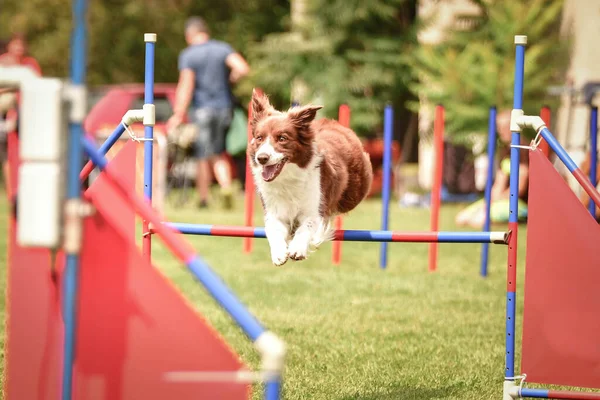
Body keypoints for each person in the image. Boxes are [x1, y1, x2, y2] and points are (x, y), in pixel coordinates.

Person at [166, 16, 250, 209]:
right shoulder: (222, 48)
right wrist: (231, 78)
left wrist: (178, 114)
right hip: (224, 109)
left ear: (189, 35)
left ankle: (204, 198)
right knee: (218, 152)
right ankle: (226, 187)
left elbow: (186, 85)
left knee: (203, 154)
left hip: (203, 110)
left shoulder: (189, 55)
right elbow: (242, 68)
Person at [455, 109, 530, 228]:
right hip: (503, 199)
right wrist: (490, 200)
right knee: (462, 217)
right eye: (498, 127)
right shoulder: (505, 150)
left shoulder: (522, 149)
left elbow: (519, 189)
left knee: (478, 220)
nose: (500, 131)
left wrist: (498, 199)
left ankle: (517, 218)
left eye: (504, 127)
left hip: (520, 202)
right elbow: (499, 183)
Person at [0, 33, 42, 192]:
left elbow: (38, 87)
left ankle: (23, 191)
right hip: (6, 117)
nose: (19, 48)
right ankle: (12, 193)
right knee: (7, 159)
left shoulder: (30, 65)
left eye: (21, 44)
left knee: (24, 157)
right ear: (9, 46)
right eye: (15, 44)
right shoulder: (3, 63)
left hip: (26, 118)